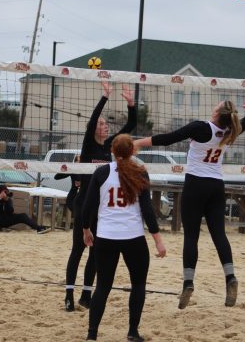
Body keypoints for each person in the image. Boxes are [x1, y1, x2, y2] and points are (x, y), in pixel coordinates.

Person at [134, 99, 245, 309]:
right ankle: (230, 277)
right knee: (219, 234)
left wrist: (138, 143)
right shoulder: (231, 130)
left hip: (195, 185)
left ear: (217, 111)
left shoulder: (201, 128)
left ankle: (188, 283)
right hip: (216, 186)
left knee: (191, 236)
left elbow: (167, 139)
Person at [82, 134, 166, 341]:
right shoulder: (141, 172)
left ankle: (92, 335)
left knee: (102, 286)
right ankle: (132, 332)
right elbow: (147, 210)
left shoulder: (101, 173)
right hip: (133, 237)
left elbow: (88, 206)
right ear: (133, 152)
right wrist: (158, 240)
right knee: (138, 285)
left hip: (106, 237)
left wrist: (86, 230)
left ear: (112, 151)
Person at [65, 81, 137, 312]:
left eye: (107, 124)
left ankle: (86, 295)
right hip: (83, 204)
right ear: (93, 127)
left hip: (101, 208)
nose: (105, 126)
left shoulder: (109, 146)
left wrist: (131, 104)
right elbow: (94, 118)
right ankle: (69, 294)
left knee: (95, 254)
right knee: (78, 250)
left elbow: (132, 125)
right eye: (102, 124)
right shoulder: (88, 146)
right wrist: (105, 96)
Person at [54, 154, 81, 219]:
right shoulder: (72, 170)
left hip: (84, 194)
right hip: (74, 194)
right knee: (73, 207)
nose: (80, 163)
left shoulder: (88, 170)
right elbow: (56, 177)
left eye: (81, 161)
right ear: (75, 162)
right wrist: (65, 169)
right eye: (78, 161)